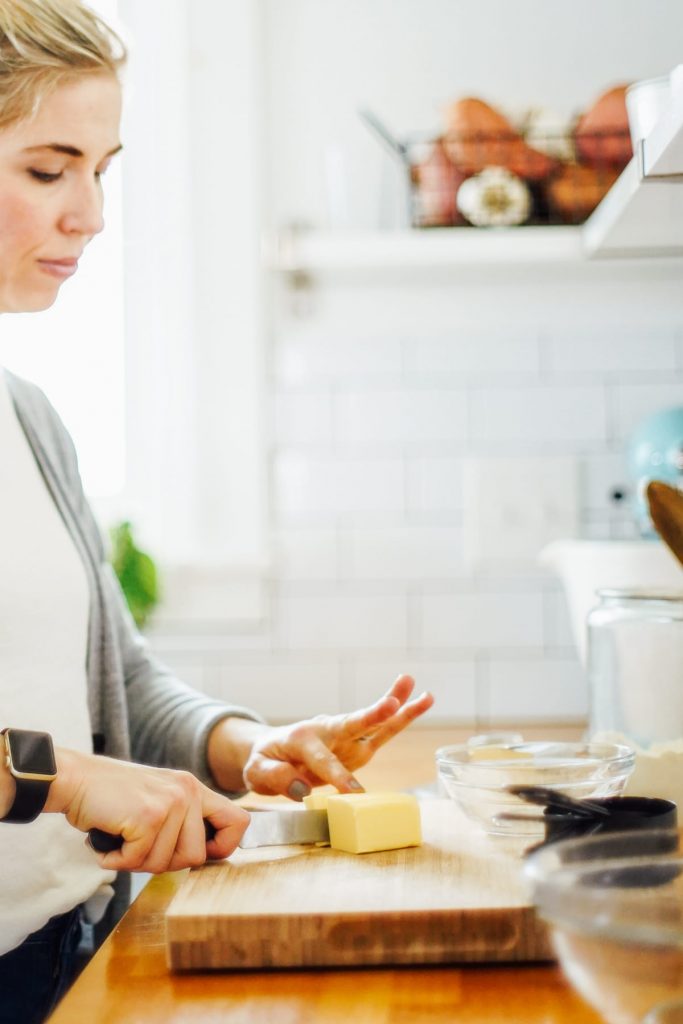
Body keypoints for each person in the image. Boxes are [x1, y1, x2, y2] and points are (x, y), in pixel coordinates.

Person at [0, 2, 434, 1021]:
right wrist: (64, 781)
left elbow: (116, 684)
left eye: (101, 169)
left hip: (66, 954)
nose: (92, 213)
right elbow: (71, 761)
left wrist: (248, 745)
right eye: (48, 167)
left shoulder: (26, 419)